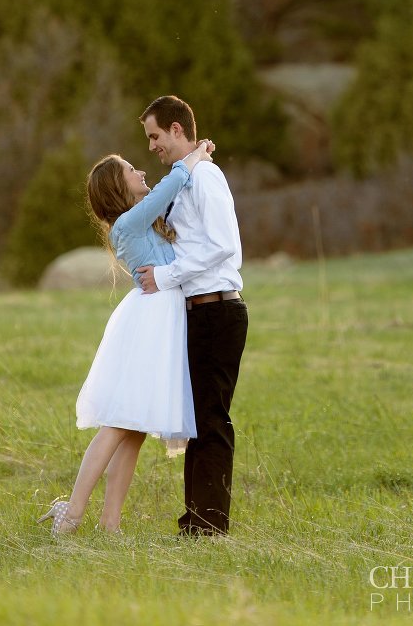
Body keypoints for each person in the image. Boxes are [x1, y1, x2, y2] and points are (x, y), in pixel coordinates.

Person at [38, 140, 213, 537]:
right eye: (133, 170)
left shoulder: (142, 221)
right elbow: (170, 188)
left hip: (162, 318)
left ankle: (110, 522)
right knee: (119, 422)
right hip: (150, 321)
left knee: (134, 428)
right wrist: (194, 157)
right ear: (119, 187)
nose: (142, 173)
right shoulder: (128, 222)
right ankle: (72, 511)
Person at [136, 95, 248, 537]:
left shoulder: (207, 177)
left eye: (155, 136)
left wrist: (166, 277)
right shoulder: (183, 179)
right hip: (196, 313)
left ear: (177, 130)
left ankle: (209, 525)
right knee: (197, 419)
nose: (151, 146)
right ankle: (195, 521)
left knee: (211, 420)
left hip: (219, 310)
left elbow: (223, 244)